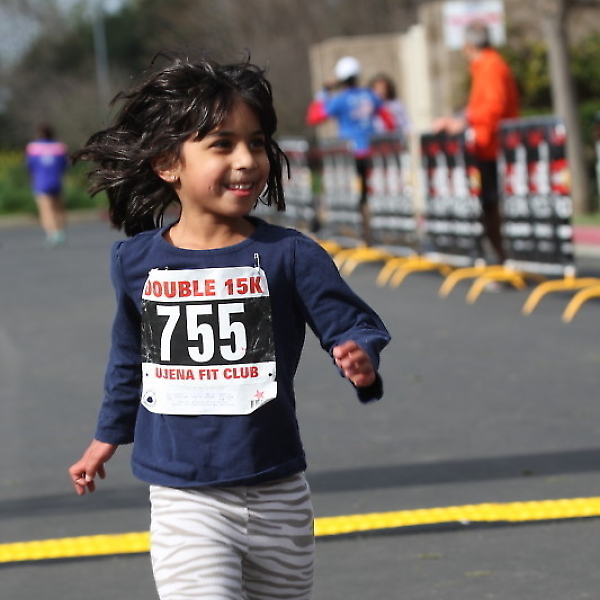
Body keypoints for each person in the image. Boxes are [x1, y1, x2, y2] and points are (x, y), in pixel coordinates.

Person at [68, 51, 390, 600]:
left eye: (256, 142)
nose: (247, 160)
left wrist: (358, 352)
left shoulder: (290, 255)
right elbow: (130, 358)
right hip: (184, 496)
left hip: (278, 491)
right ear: (167, 163)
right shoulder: (136, 262)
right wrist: (107, 437)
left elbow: (351, 321)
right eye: (222, 144)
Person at [434, 21, 519, 264]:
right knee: (487, 207)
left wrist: (465, 121)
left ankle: (505, 261)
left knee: (492, 207)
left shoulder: (491, 65)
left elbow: (494, 107)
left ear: (469, 45)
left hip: (492, 149)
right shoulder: (484, 66)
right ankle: (500, 260)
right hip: (485, 148)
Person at [306, 56, 394, 245]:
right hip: (372, 154)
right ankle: (371, 234)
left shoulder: (340, 100)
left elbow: (314, 117)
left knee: (351, 196)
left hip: (350, 156)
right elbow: (389, 121)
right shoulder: (370, 95)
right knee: (369, 195)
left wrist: (324, 92)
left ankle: (357, 235)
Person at [25, 123, 69, 246]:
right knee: (58, 208)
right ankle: (60, 231)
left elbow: (29, 166)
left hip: (41, 182)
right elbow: (65, 165)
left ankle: (52, 233)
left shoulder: (33, 147)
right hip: (56, 181)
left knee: (46, 210)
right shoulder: (60, 147)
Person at [369, 73, 410, 137]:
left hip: (395, 137)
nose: (380, 92)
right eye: (377, 89)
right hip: (378, 138)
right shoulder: (370, 106)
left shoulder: (396, 104)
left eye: (383, 88)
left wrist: (407, 131)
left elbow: (406, 122)